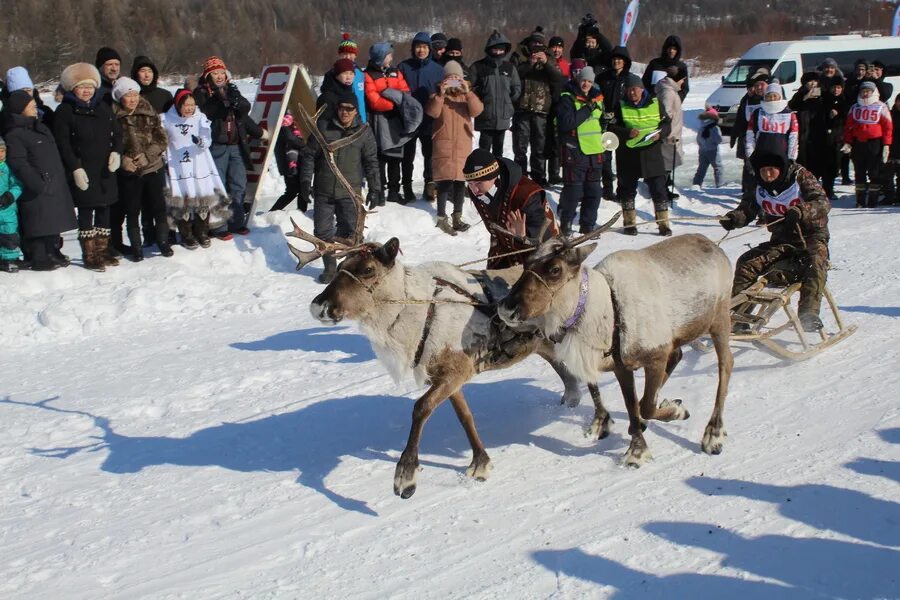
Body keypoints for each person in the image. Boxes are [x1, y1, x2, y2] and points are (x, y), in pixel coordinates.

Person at [720, 150, 831, 333]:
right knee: (747, 263)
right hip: (781, 241)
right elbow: (748, 209)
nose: (768, 174)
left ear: (781, 168)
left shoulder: (800, 176)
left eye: (772, 170)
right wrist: (734, 218)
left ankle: (808, 314)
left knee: (816, 262)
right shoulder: (759, 185)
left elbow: (823, 202)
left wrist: (802, 211)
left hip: (811, 237)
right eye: (763, 171)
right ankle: (739, 316)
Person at [299, 92, 381, 283]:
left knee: (351, 230)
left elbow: (371, 161)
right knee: (322, 231)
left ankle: (349, 265)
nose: (344, 112)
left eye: (349, 109)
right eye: (341, 108)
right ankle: (329, 268)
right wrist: (305, 181)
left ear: (355, 111)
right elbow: (309, 155)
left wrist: (375, 187)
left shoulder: (363, 132)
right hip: (324, 189)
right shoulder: (323, 128)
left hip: (350, 192)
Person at [54, 62, 123, 271]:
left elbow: (117, 132)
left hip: (104, 169)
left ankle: (103, 250)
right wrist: (75, 167)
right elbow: (62, 143)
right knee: (86, 211)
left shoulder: (103, 107)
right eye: (81, 86)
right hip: (83, 170)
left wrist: (116, 152)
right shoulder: (65, 111)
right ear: (72, 88)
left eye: (90, 86)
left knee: (105, 209)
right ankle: (90, 254)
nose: (86, 91)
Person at [3, 91, 78, 271]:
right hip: (35, 185)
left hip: (52, 181)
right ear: (21, 110)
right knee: (38, 221)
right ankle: (39, 256)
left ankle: (52, 251)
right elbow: (18, 161)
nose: (35, 109)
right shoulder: (15, 134)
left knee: (52, 219)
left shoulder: (39, 127)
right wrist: (35, 181)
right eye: (31, 106)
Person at [194, 56, 266, 237]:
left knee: (238, 184)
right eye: (215, 73)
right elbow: (205, 112)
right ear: (208, 76)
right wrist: (218, 99)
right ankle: (219, 226)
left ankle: (236, 222)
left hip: (236, 145)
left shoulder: (232, 89)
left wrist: (234, 100)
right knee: (218, 186)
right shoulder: (202, 93)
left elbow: (244, 110)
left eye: (221, 73)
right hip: (215, 146)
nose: (219, 76)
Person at [462, 148, 558, 268]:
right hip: (504, 254)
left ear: (494, 177)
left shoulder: (526, 194)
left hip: (543, 258)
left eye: (478, 183)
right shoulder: (478, 192)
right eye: (470, 184)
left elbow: (545, 242)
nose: (474, 190)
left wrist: (522, 236)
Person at [161, 89, 231, 249]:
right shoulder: (165, 119)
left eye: (192, 105)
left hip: (198, 163)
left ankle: (202, 232)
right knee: (183, 199)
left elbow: (207, 137)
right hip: (177, 166)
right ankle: (187, 235)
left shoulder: (200, 117)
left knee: (202, 198)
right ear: (178, 105)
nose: (189, 108)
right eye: (186, 105)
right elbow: (162, 141)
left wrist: (201, 141)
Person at [111, 77, 171, 261]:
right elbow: (108, 143)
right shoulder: (112, 116)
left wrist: (147, 155)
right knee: (132, 209)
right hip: (129, 171)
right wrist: (122, 160)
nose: (133, 99)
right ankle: (136, 247)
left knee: (159, 206)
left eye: (135, 94)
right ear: (120, 97)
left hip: (153, 166)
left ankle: (163, 242)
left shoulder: (148, 111)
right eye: (128, 95)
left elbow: (161, 139)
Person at [607, 74, 672, 236]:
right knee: (627, 191)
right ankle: (629, 224)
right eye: (629, 90)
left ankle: (663, 225)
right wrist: (627, 132)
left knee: (659, 189)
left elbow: (666, 124)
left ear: (642, 89)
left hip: (652, 153)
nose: (632, 93)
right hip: (628, 155)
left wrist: (661, 134)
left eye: (634, 89)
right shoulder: (620, 106)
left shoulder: (656, 103)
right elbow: (611, 128)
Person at [426, 60, 484, 235]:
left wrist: (468, 93)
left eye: (456, 77)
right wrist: (441, 94)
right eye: (450, 77)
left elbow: (477, 111)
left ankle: (457, 216)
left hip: (462, 145)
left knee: (460, 182)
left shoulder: (465, 97)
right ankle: (442, 217)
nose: (453, 81)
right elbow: (433, 112)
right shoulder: (437, 96)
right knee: (444, 182)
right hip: (443, 145)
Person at [555, 66, 605, 236]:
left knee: (594, 192)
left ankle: (588, 225)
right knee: (574, 191)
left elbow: (599, 122)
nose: (586, 84)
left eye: (589, 81)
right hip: (574, 151)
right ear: (578, 79)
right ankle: (566, 223)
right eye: (584, 80)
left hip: (595, 151)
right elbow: (567, 123)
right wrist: (587, 108)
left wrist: (606, 119)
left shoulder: (598, 98)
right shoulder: (567, 97)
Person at [364, 42, 412, 204]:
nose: (391, 57)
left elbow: (405, 91)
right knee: (380, 158)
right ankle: (379, 191)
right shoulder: (369, 75)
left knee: (395, 158)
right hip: (379, 121)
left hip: (395, 121)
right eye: (388, 55)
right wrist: (394, 103)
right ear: (380, 58)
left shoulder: (395, 72)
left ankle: (394, 190)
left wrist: (399, 101)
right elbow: (373, 100)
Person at [513, 38, 565, 186]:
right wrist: (530, 63)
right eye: (533, 46)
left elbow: (558, 78)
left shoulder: (550, 61)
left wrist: (545, 62)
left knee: (539, 147)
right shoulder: (519, 58)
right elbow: (515, 75)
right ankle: (520, 176)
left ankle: (538, 176)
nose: (536, 49)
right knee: (520, 146)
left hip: (542, 110)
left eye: (539, 47)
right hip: (522, 109)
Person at [399, 31, 444, 203]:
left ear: (429, 49)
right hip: (408, 121)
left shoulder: (438, 69)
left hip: (429, 120)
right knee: (407, 156)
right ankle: (407, 187)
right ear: (413, 48)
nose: (421, 50)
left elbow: (451, 85)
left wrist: (463, 82)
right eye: (418, 47)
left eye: (424, 47)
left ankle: (429, 186)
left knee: (430, 155)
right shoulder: (403, 67)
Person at [470, 30, 522, 158]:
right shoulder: (478, 67)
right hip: (485, 115)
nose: (498, 52)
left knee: (499, 151)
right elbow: (469, 86)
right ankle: (484, 175)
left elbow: (516, 87)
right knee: (484, 149)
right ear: (489, 49)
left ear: (505, 50)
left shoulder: (509, 68)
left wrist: (509, 102)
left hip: (503, 115)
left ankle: (498, 175)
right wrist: (479, 99)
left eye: (501, 49)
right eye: (495, 49)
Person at [842, 81, 893, 208]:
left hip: (874, 143)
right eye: (863, 91)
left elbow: (888, 127)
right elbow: (848, 126)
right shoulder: (855, 107)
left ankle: (873, 200)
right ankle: (860, 200)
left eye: (868, 91)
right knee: (859, 171)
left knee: (874, 172)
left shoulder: (881, 106)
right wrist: (848, 142)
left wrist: (886, 145)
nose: (865, 93)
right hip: (859, 143)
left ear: (873, 92)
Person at [597, 46, 632, 200]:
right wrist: (602, 113)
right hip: (606, 123)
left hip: (623, 124)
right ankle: (607, 189)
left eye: (620, 59)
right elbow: (596, 97)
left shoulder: (630, 79)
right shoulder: (603, 78)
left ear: (625, 61)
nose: (617, 61)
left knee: (623, 160)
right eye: (614, 59)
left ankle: (622, 190)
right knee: (605, 158)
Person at [731, 69, 770, 194]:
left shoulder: (771, 98)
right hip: (748, 137)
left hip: (766, 139)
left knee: (764, 166)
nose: (758, 88)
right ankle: (748, 192)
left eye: (761, 85)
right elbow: (740, 118)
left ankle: (764, 191)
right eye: (756, 85)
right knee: (749, 166)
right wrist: (734, 135)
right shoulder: (747, 99)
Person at [745, 82, 798, 163]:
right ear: (765, 97)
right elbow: (750, 135)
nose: (772, 98)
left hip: (781, 156)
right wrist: (750, 154)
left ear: (780, 97)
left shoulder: (789, 114)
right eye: (769, 96)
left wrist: (792, 157)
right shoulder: (757, 113)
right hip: (761, 155)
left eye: (775, 96)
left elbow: (793, 137)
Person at [813, 76, 848, 201]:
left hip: (837, 139)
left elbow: (847, 118)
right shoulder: (823, 99)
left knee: (833, 166)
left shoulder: (844, 100)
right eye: (834, 87)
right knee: (819, 166)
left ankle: (829, 189)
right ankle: (816, 191)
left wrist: (838, 115)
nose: (836, 90)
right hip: (822, 138)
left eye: (839, 88)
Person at [320, 33, 367, 124]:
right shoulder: (333, 73)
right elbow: (326, 94)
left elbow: (363, 96)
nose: (348, 56)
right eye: (344, 54)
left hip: (360, 116)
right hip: (343, 117)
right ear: (339, 55)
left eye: (350, 54)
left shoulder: (360, 73)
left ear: (355, 55)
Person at [656, 65, 686, 203]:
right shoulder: (668, 92)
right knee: (665, 165)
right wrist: (667, 131)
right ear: (676, 79)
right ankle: (662, 192)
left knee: (667, 164)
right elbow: (665, 113)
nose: (683, 82)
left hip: (673, 133)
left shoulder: (670, 90)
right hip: (669, 135)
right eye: (682, 79)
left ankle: (664, 189)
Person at [268, 111, 307, 212]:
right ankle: (273, 213)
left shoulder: (300, 119)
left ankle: (301, 213)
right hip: (290, 162)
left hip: (300, 160)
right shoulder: (286, 121)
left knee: (302, 189)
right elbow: (289, 137)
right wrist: (304, 144)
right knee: (293, 191)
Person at [788, 72, 823, 174]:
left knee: (816, 157)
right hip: (803, 130)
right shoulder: (800, 93)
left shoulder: (821, 93)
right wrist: (804, 98)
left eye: (815, 81)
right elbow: (791, 106)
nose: (813, 84)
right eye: (810, 81)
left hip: (817, 130)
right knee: (803, 157)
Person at [0, 135, 24, 272]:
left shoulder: (8, 168)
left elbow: (17, 185)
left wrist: (9, 196)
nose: (0, 154)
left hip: (7, 208)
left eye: (2, 151)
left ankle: (10, 258)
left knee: (9, 234)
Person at [642, 35, 690, 101]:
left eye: (674, 49)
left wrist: (676, 101)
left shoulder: (681, 67)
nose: (671, 51)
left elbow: (684, 89)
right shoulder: (655, 64)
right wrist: (649, 97)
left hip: (672, 105)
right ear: (665, 49)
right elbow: (644, 83)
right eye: (669, 48)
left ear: (678, 51)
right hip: (652, 103)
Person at [692, 106, 724, 190]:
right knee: (718, 168)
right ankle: (720, 185)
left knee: (701, 168)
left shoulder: (701, 127)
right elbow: (719, 139)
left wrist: (702, 146)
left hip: (702, 151)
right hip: (713, 151)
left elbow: (698, 139)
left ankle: (696, 183)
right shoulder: (715, 128)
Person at [883, 94, 900, 205]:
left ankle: (899, 197)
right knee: (888, 175)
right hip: (890, 147)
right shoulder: (889, 113)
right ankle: (889, 196)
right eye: (899, 101)